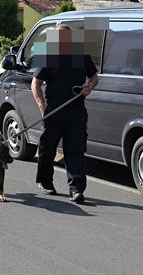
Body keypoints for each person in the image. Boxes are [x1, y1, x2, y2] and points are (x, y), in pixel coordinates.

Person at [31, 24, 99, 204]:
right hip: (53, 111)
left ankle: (76, 190)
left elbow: (94, 77)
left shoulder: (81, 55)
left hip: (76, 112)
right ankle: (46, 182)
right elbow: (35, 84)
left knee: (75, 150)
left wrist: (90, 87)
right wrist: (43, 109)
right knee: (47, 149)